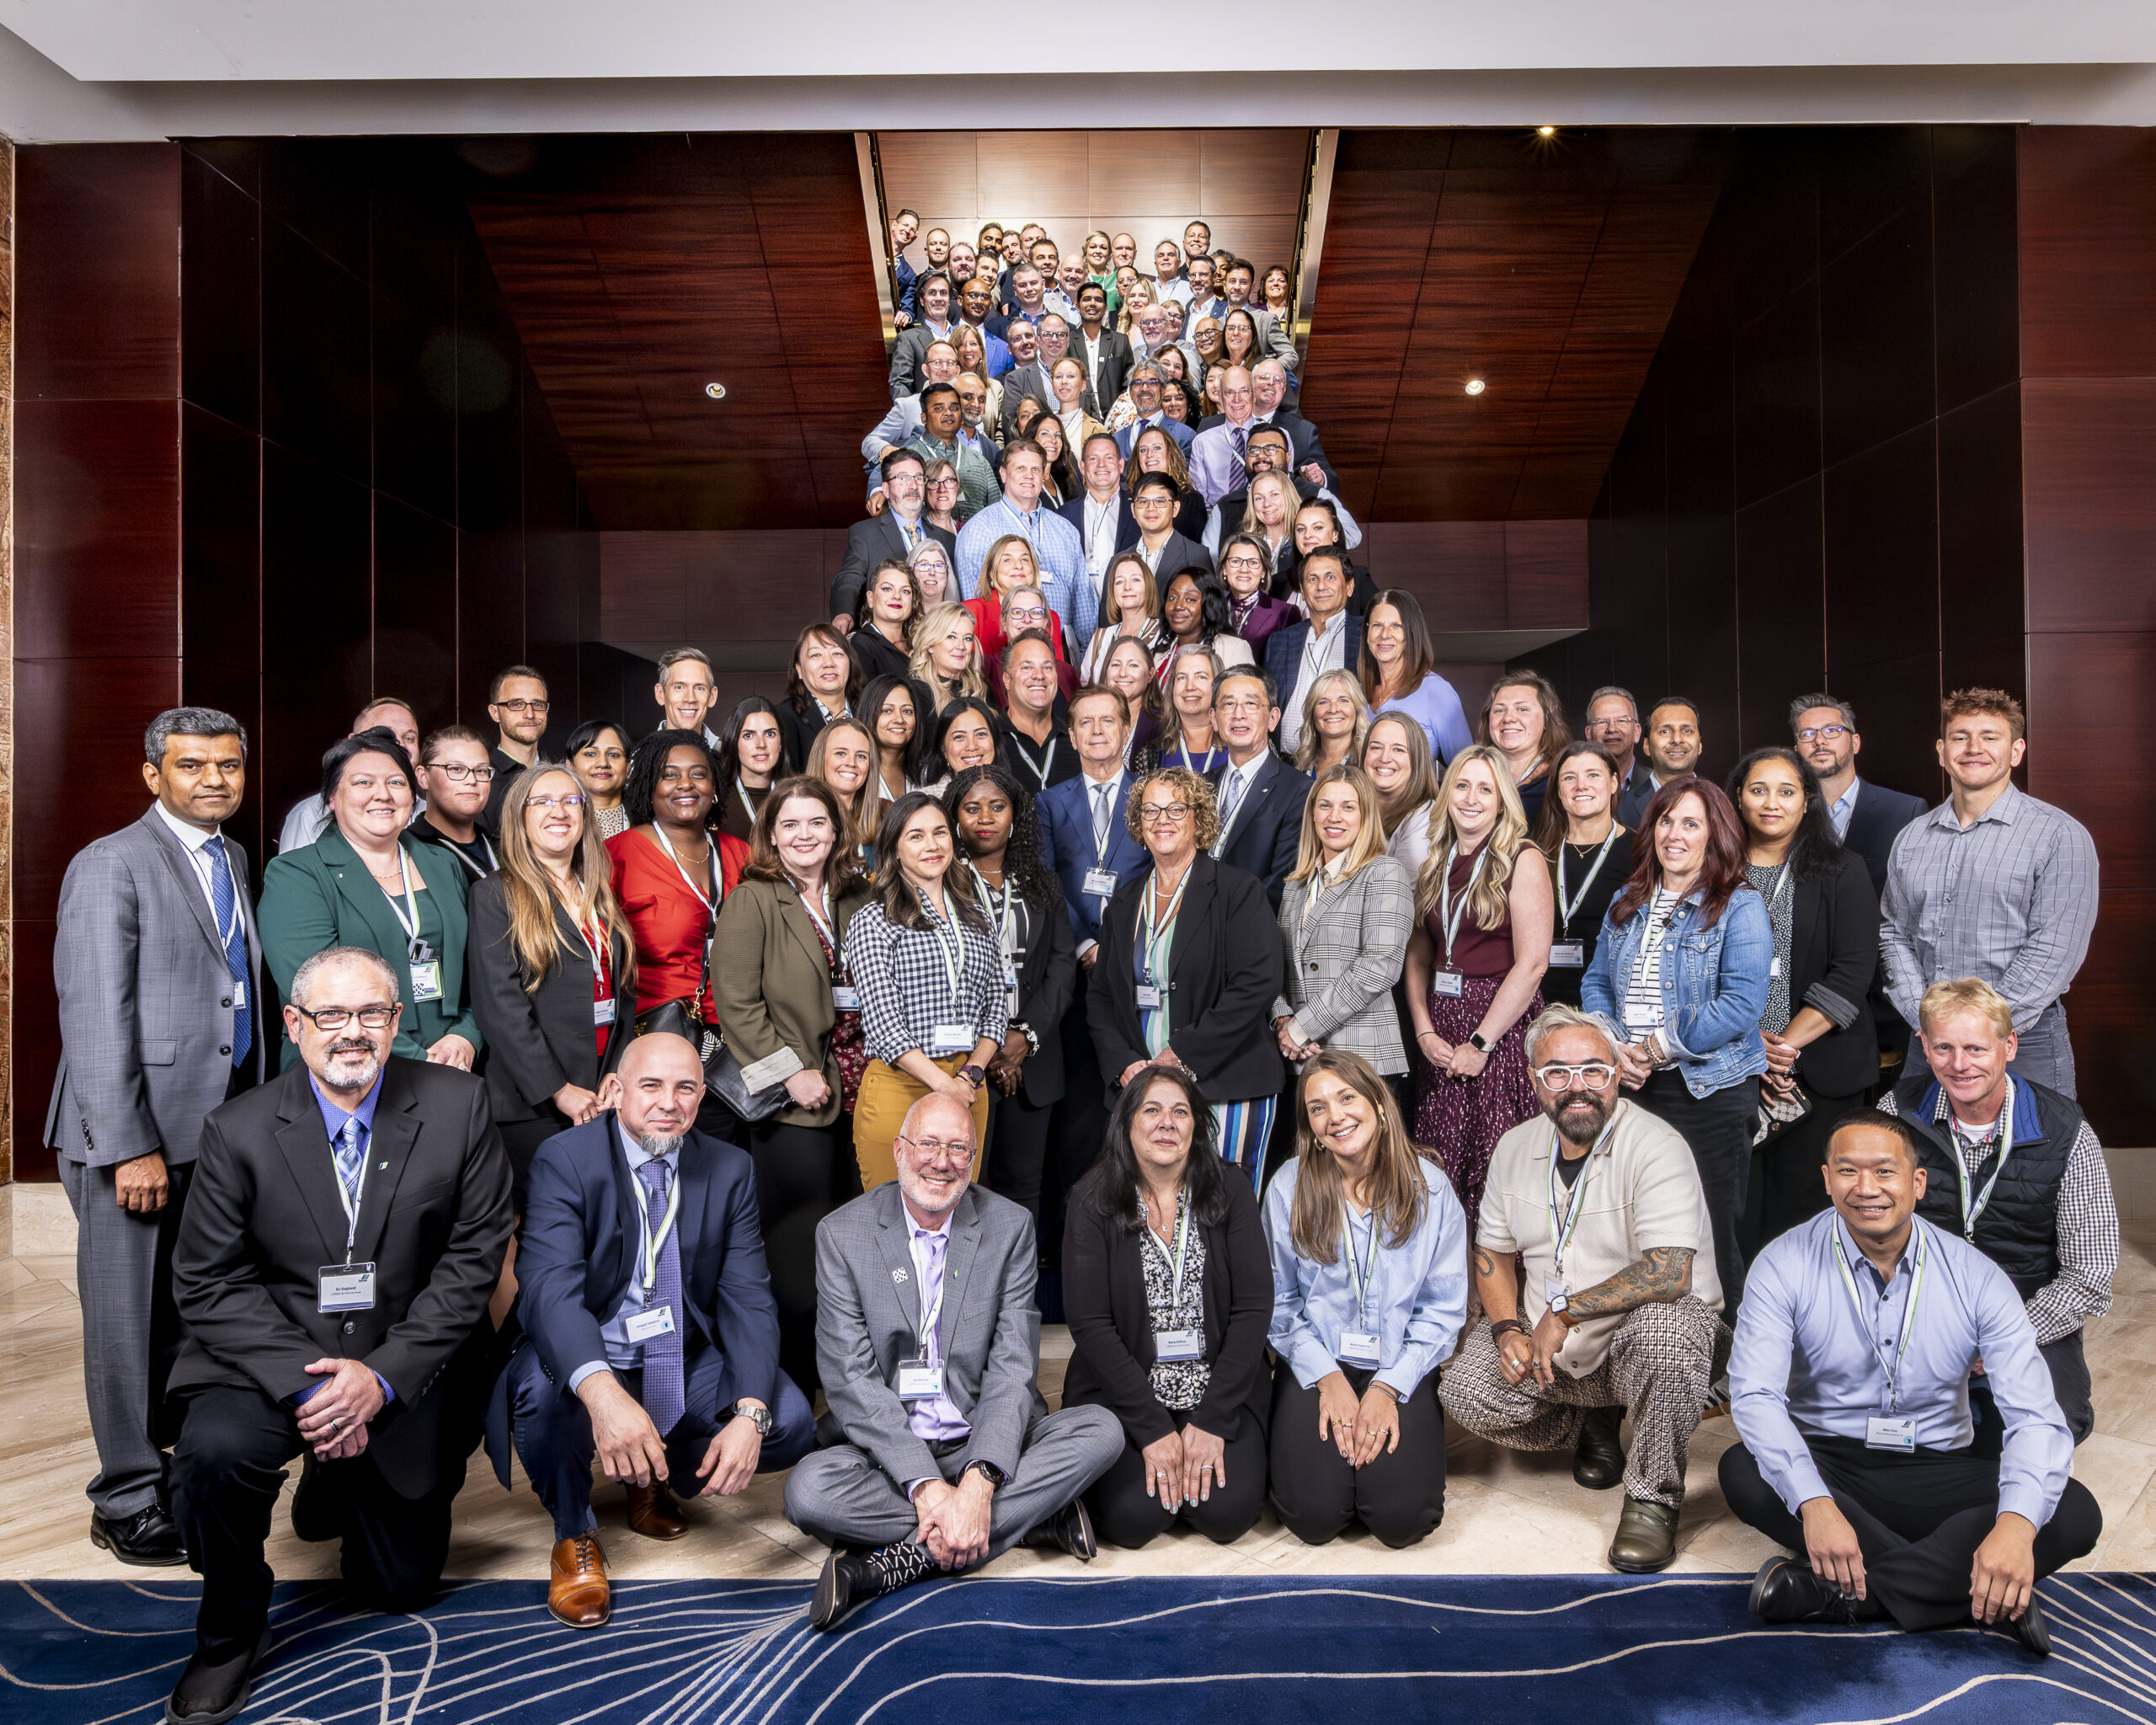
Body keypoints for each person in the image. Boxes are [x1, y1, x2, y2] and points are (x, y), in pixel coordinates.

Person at [163, 947, 512, 1722]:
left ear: (396, 1023)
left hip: (400, 1359)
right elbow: (209, 1283)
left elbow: (472, 1260)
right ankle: (228, 1632)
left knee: (397, 1588)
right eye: (331, 1015)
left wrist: (380, 1376)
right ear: (294, 1025)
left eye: (370, 1015)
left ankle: (339, 1477)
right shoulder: (238, 1128)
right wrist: (315, 1383)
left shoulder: (458, 1106)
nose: (351, 1032)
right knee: (213, 1458)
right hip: (272, 1359)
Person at [1721, 1109, 2100, 1653]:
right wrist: (1815, 1505)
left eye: (1885, 1172)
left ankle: (1846, 1595)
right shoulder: (1782, 1265)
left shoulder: (1977, 1276)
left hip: (1937, 1466)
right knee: (1744, 1470)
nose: (1866, 1188)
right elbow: (1756, 1395)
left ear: (1917, 1183)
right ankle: (1971, 1596)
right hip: (1833, 1464)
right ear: (1827, 1180)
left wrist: (2016, 1527)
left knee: (2072, 1509)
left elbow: (2036, 1415)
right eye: (1848, 1172)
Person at [491, 1031, 818, 1628]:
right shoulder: (565, 1160)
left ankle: (653, 1474)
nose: (670, 1102)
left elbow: (747, 1296)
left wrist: (749, 1414)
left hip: (679, 1356)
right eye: (652, 1086)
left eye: (686, 1087)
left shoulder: (729, 1168)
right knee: (540, 1397)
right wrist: (603, 1392)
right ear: (615, 1091)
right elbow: (548, 1289)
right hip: (591, 1352)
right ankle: (574, 1534)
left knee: (787, 1421)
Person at [50, 708, 264, 1568]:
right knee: (124, 1320)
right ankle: (126, 1494)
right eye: (191, 765)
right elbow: (97, 1016)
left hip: (209, 1130)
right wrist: (129, 1144)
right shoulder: (112, 864)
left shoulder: (232, 855)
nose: (213, 779)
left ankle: (169, 1463)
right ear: (153, 774)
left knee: (178, 1313)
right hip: (134, 1135)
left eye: (227, 765)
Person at [783, 1091, 1121, 1627]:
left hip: (981, 1435)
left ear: (974, 1160)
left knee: (1102, 1430)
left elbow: (1013, 1366)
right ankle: (1030, 1520)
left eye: (958, 1148)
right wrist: (929, 1486)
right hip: (890, 1452)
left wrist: (980, 1480)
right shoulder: (843, 1234)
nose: (942, 1162)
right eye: (929, 1144)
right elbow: (850, 1380)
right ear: (899, 1150)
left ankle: (886, 1566)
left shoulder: (1009, 1227)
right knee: (808, 1492)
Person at [1443, 1006, 1729, 1573]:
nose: (1578, 1088)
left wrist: (1567, 1313)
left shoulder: (1657, 1144)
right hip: (1554, 1345)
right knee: (1465, 1393)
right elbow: (1493, 1251)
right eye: (1558, 1073)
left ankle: (1652, 1499)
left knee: (1667, 1337)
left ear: (1617, 1073)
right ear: (1533, 1080)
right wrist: (1504, 1329)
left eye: (1593, 1070)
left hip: (1645, 1331)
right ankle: (1592, 1421)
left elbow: (1671, 1271)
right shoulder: (1515, 1146)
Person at [1880, 978, 2116, 1447]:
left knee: (2049, 1429)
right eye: (1944, 1047)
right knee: (1862, 1426)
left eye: (1976, 1048)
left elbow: (2089, 1273)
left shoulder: (2067, 1132)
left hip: (2026, 1310)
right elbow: (1864, 1238)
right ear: (1924, 1046)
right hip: (1919, 1310)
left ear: (2009, 1045)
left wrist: (1998, 1340)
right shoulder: (1894, 1114)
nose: (1959, 1064)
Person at [1061, 1067, 1273, 1548]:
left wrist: (1214, 1420)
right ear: (1126, 1124)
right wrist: (1153, 1428)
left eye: (1180, 1111)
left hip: (1217, 1386)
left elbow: (1254, 1310)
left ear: (1197, 1125)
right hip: (1125, 1393)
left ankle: (1194, 1466)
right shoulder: (1091, 1200)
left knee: (1228, 1514)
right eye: (1151, 1110)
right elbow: (1091, 1326)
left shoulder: (1231, 1188)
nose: (1166, 1123)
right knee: (1130, 1520)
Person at [1582, 777, 1771, 1315]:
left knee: (1710, 1226)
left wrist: (1658, 1047)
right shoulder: (1627, 899)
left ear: (1715, 834)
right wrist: (1616, 1045)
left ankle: (1725, 1362)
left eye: (1691, 823)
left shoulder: (1740, 905)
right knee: (1636, 1224)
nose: (1675, 834)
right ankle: (1649, 1352)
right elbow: (1596, 982)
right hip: (1632, 1085)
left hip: (1709, 1090)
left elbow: (1740, 1005)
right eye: (1666, 820)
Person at [711, 778, 873, 1395]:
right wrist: (791, 1071)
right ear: (772, 835)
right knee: (798, 1252)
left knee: (859, 1241)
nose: (805, 835)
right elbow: (737, 1004)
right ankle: (795, 1384)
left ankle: (853, 1379)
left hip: (863, 1088)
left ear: (836, 830)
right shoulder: (753, 899)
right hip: (794, 1103)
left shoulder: (859, 896)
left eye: (817, 823)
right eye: (791, 825)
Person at [1264, 1051, 1465, 1548]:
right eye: (1317, 1108)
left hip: (1399, 1361)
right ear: (1309, 1127)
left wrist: (1387, 1389)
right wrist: (1329, 1378)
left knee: (1404, 1521)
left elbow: (1442, 1310)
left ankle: (1367, 1478)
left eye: (1346, 1097)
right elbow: (1279, 1302)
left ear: (1378, 1103)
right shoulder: (1288, 1187)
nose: (1334, 1116)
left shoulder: (1431, 1189)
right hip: (1316, 1361)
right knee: (1313, 1519)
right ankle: (1337, 1480)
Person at [1879, 688, 2097, 1098]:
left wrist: (1981, 1029)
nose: (1973, 748)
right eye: (1960, 737)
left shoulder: (2059, 835)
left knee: (2032, 1159)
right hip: (1927, 1041)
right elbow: (1893, 933)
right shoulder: (1911, 838)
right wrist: (1927, 1021)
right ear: (1942, 751)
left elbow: (2054, 949)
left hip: (2023, 1040)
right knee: (1924, 1156)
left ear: (2016, 751)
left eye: (1990, 737)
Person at [1091, 767, 1285, 1188]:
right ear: (1138, 824)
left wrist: (1179, 1055)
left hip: (1227, 1085)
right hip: (1144, 1091)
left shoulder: (1238, 891)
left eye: (1176, 809)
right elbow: (1101, 997)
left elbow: (1257, 984)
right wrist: (1125, 1063)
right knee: (1155, 1211)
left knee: (1224, 1214)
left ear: (1200, 819)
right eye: (1151, 810)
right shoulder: (1125, 901)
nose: (1162, 819)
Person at [1726, 746, 1882, 1254]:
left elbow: (1853, 973)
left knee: (1806, 1216)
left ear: (1807, 801)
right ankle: (1738, 1326)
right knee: (1736, 1212)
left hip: (1820, 1074)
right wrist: (1750, 1051)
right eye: (1758, 789)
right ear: (1738, 799)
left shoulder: (1843, 870)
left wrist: (1782, 1049)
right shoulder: (1713, 873)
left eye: (1787, 791)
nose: (1772, 802)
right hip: (1728, 1068)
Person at [259, 729, 482, 1072]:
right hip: (347, 1069)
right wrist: (422, 1062)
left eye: (396, 783)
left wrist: (467, 1036)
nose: (383, 795)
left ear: (412, 795)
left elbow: (479, 967)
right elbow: (320, 997)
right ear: (332, 797)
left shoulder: (442, 863)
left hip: (453, 1062)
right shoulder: (296, 874)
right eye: (364, 783)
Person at [467, 762, 635, 1212]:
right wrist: (558, 1089)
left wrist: (618, 1071)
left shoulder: (598, 890)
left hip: (601, 1093)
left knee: (599, 1226)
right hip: (534, 1105)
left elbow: (623, 992)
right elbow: (499, 1007)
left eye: (570, 800)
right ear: (519, 817)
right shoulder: (496, 894)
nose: (558, 811)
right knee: (544, 1235)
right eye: (541, 801)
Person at [1405, 743, 1553, 1242]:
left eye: (1485, 789)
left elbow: (1532, 964)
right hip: (1442, 1031)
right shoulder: (1438, 858)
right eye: (1462, 786)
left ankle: (1494, 1311)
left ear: (1502, 799)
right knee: (1439, 1167)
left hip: (1498, 1029)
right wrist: (1423, 1030)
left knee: (1490, 1168)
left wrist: (1482, 1043)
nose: (1471, 798)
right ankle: (1452, 1298)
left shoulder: (1523, 858)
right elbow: (1419, 953)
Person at [846, 793, 1008, 1188]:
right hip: (902, 1085)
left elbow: (997, 1004)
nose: (932, 845)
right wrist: (945, 1087)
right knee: (892, 1220)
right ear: (895, 850)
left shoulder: (975, 911)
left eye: (939, 832)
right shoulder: (873, 920)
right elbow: (883, 1024)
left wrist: (969, 1076)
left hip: (971, 1083)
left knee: (956, 1211)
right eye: (916, 836)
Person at [944, 764, 1076, 1231]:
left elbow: (1063, 964)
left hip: (1033, 1057)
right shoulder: (941, 883)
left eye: (997, 807)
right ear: (954, 817)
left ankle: (1020, 1295)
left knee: (1025, 1186)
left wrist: (1023, 1037)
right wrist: (991, 1047)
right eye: (972, 808)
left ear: (1015, 815)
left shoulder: (1041, 880)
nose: (985, 817)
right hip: (963, 1059)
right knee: (962, 1184)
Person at [606, 729, 750, 1141]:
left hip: (732, 1042)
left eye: (698, 774)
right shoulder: (617, 854)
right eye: (669, 775)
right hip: (655, 1035)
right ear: (649, 787)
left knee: (719, 1157)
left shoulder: (741, 853)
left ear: (715, 787)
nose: (686, 785)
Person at [1273, 764, 1416, 1114]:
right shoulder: (1296, 885)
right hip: (1303, 1061)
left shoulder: (1384, 872)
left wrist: (1303, 1026)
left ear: (1365, 816)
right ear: (1312, 813)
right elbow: (1276, 964)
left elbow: (1380, 966)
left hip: (1363, 1060)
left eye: (1348, 807)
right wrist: (1282, 1020)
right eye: (1325, 805)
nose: (1334, 817)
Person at [953, 441, 1096, 648]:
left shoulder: (1066, 530)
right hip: (1001, 651)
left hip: (1060, 649)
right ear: (1003, 474)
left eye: (1035, 469)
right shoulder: (979, 529)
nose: (1029, 475)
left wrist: (1083, 656)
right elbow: (974, 603)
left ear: (1043, 475)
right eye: (1020, 468)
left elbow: (1082, 597)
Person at [1790, 693, 1928, 900]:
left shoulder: (1906, 811)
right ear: (1796, 750)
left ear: (1855, 743)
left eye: (1831, 731)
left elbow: (1916, 898)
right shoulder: (1784, 813)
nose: (1819, 741)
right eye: (1807, 734)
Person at [1540, 742, 1636, 1009]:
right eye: (1569, 777)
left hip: (1613, 1003)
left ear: (1614, 782)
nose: (1581, 785)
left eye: (1593, 775)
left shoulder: (1642, 852)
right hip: (1544, 1002)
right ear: (1558, 790)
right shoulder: (1538, 853)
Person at [1208, 666, 1310, 908]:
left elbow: (1281, 881)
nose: (1238, 714)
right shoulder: (1200, 785)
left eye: (1251, 704)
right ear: (1214, 718)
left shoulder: (1299, 790)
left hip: (1251, 928)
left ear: (1273, 718)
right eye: (1228, 704)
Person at [830, 451, 958, 630]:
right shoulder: (865, 533)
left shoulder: (948, 539)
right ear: (886, 489)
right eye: (903, 478)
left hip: (935, 636)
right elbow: (850, 577)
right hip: (886, 642)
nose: (913, 485)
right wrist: (843, 613)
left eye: (919, 478)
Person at [276, 697, 420, 854]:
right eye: (385, 735)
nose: (399, 744)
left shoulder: (431, 814)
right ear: (353, 743)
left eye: (409, 738)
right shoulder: (309, 814)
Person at [1264, 547, 1362, 759]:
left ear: (1350, 586)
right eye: (1312, 579)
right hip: (1286, 765)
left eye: (1330, 577)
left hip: (1345, 766)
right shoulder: (1279, 641)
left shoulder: (1366, 636)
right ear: (1302, 588)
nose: (1321, 586)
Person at [1362, 589, 1471, 766]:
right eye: (1377, 625)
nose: (1384, 634)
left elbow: (1466, 769)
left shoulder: (1436, 691)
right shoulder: (1356, 694)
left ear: (1412, 632)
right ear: (1367, 632)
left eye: (1396, 626)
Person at [1480, 671, 1568, 830]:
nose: (1508, 718)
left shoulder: (1562, 779)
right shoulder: (1471, 777)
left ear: (1547, 720)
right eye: (1499, 710)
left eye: (1522, 709)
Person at [411, 725, 499, 880]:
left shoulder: (505, 847)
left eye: (481, 770)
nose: (472, 780)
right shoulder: (407, 850)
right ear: (423, 777)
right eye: (456, 769)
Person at [997, 629, 1080, 793]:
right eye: (1027, 667)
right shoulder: (990, 741)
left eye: (1047, 667)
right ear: (1007, 679)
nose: (1039, 675)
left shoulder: (1077, 741)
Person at [1364, 713, 1440, 882]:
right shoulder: (1352, 808)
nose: (1384, 758)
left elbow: (1404, 896)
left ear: (1417, 759)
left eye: (1398, 749)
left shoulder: (1425, 816)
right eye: (1376, 747)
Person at [776, 623, 862, 771]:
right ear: (799, 670)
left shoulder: (868, 710)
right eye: (816, 655)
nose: (828, 663)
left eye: (837, 654)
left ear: (850, 663)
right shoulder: (784, 717)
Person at [480, 665, 551, 835]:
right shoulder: (479, 778)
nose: (530, 714)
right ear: (495, 712)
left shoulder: (558, 775)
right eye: (516, 704)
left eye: (538, 704)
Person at [1157, 567, 1254, 690]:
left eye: (1190, 599)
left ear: (1209, 605)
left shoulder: (1233, 649)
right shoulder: (1159, 654)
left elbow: (1245, 701)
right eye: (1172, 598)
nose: (1178, 606)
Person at [1618, 695, 1706, 829]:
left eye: (1686, 731)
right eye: (1665, 731)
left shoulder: (1719, 805)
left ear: (1699, 745)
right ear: (1646, 746)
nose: (1676, 739)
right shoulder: (1619, 810)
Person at [1142, 643, 1230, 776]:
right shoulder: (1152, 754)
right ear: (1172, 688)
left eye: (1201, 677)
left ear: (1218, 687)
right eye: (1182, 677)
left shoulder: (1242, 743)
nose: (1190, 686)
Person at [1078, 550, 1163, 685]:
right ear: (1112, 591)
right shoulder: (1100, 638)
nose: (1127, 587)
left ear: (1148, 587)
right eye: (1119, 582)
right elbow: (1084, 687)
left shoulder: (1164, 636)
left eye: (1135, 580)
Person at [806, 716, 883, 857]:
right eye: (841, 753)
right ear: (821, 758)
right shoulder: (795, 816)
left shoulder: (885, 815)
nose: (851, 763)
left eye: (861, 756)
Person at [714, 697, 787, 843]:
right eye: (749, 735)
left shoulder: (796, 795)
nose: (761, 744)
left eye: (770, 734)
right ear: (734, 742)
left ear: (780, 743)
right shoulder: (716, 801)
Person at [1129, 471, 1214, 589]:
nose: (1151, 508)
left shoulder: (1197, 556)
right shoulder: (1119, 560)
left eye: (1160, 501)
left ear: (1175, 508)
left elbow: (1210, 605)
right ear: (1133, 510)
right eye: (1143, 502)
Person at [1585, 686, 1657, 821]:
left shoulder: (1656, 785)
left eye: (1622, 721)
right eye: (1602, 722)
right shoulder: (1576, 787)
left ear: (1637, 732)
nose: (1612, 729)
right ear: (1588, 733)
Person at [1216, 532, 1294, 656]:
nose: (1244, 569)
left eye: (1253, 562)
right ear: (1225, 569)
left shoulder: (1285, 613)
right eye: (1236, 561)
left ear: (1263, 571)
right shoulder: (1210, 611)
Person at [849, 558, 924, 687]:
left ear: (912, 602)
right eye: (887, 589)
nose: (897, 596)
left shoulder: (921, 643)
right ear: (871, 599)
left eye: (905, 591)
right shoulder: (862, 644)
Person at [910, 601, 990, 715]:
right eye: (951, 637)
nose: (961, 646)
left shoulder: (980, 689)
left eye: (967, 638)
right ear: (930, 645)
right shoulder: (915, 694)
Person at [861, 673, 930, 804]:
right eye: (887, 710)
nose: (899, 719)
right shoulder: (856, 770)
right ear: (869, 714)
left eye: (907, 711)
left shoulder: (926, 772)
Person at [1291, 668, 1369, 777]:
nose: (1333, 709)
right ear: (1312, 713)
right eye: (1323, 702)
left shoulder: (1368, 764)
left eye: (1343, 700)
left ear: (1357, 710)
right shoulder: (1298, 764)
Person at [567, 719, 632, 840]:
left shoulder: (650, 821)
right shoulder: (558, 818)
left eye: (613, 755)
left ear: (628, 768)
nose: (603, 763)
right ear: (570, 766)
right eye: (590, 754)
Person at [1114, 362, 1198, 456]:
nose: (1145, 389)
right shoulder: (1117, 440)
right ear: (1130, 391)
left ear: (1163, 390)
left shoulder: (1184, 435)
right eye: (1138, 383)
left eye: (1152, 382)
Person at [924, 695, 1003, 787]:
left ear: (994, 740)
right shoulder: (926, 799)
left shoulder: (1015, 795)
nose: (972, 746)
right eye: (959, 737)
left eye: (981, 734)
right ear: (944, 750)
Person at [652, 646, 721, 749]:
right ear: (660, 694)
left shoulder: (729, 758)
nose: (690, 699)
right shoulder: (638, 759)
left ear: (712, 697)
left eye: (699, 688)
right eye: (679, 687)